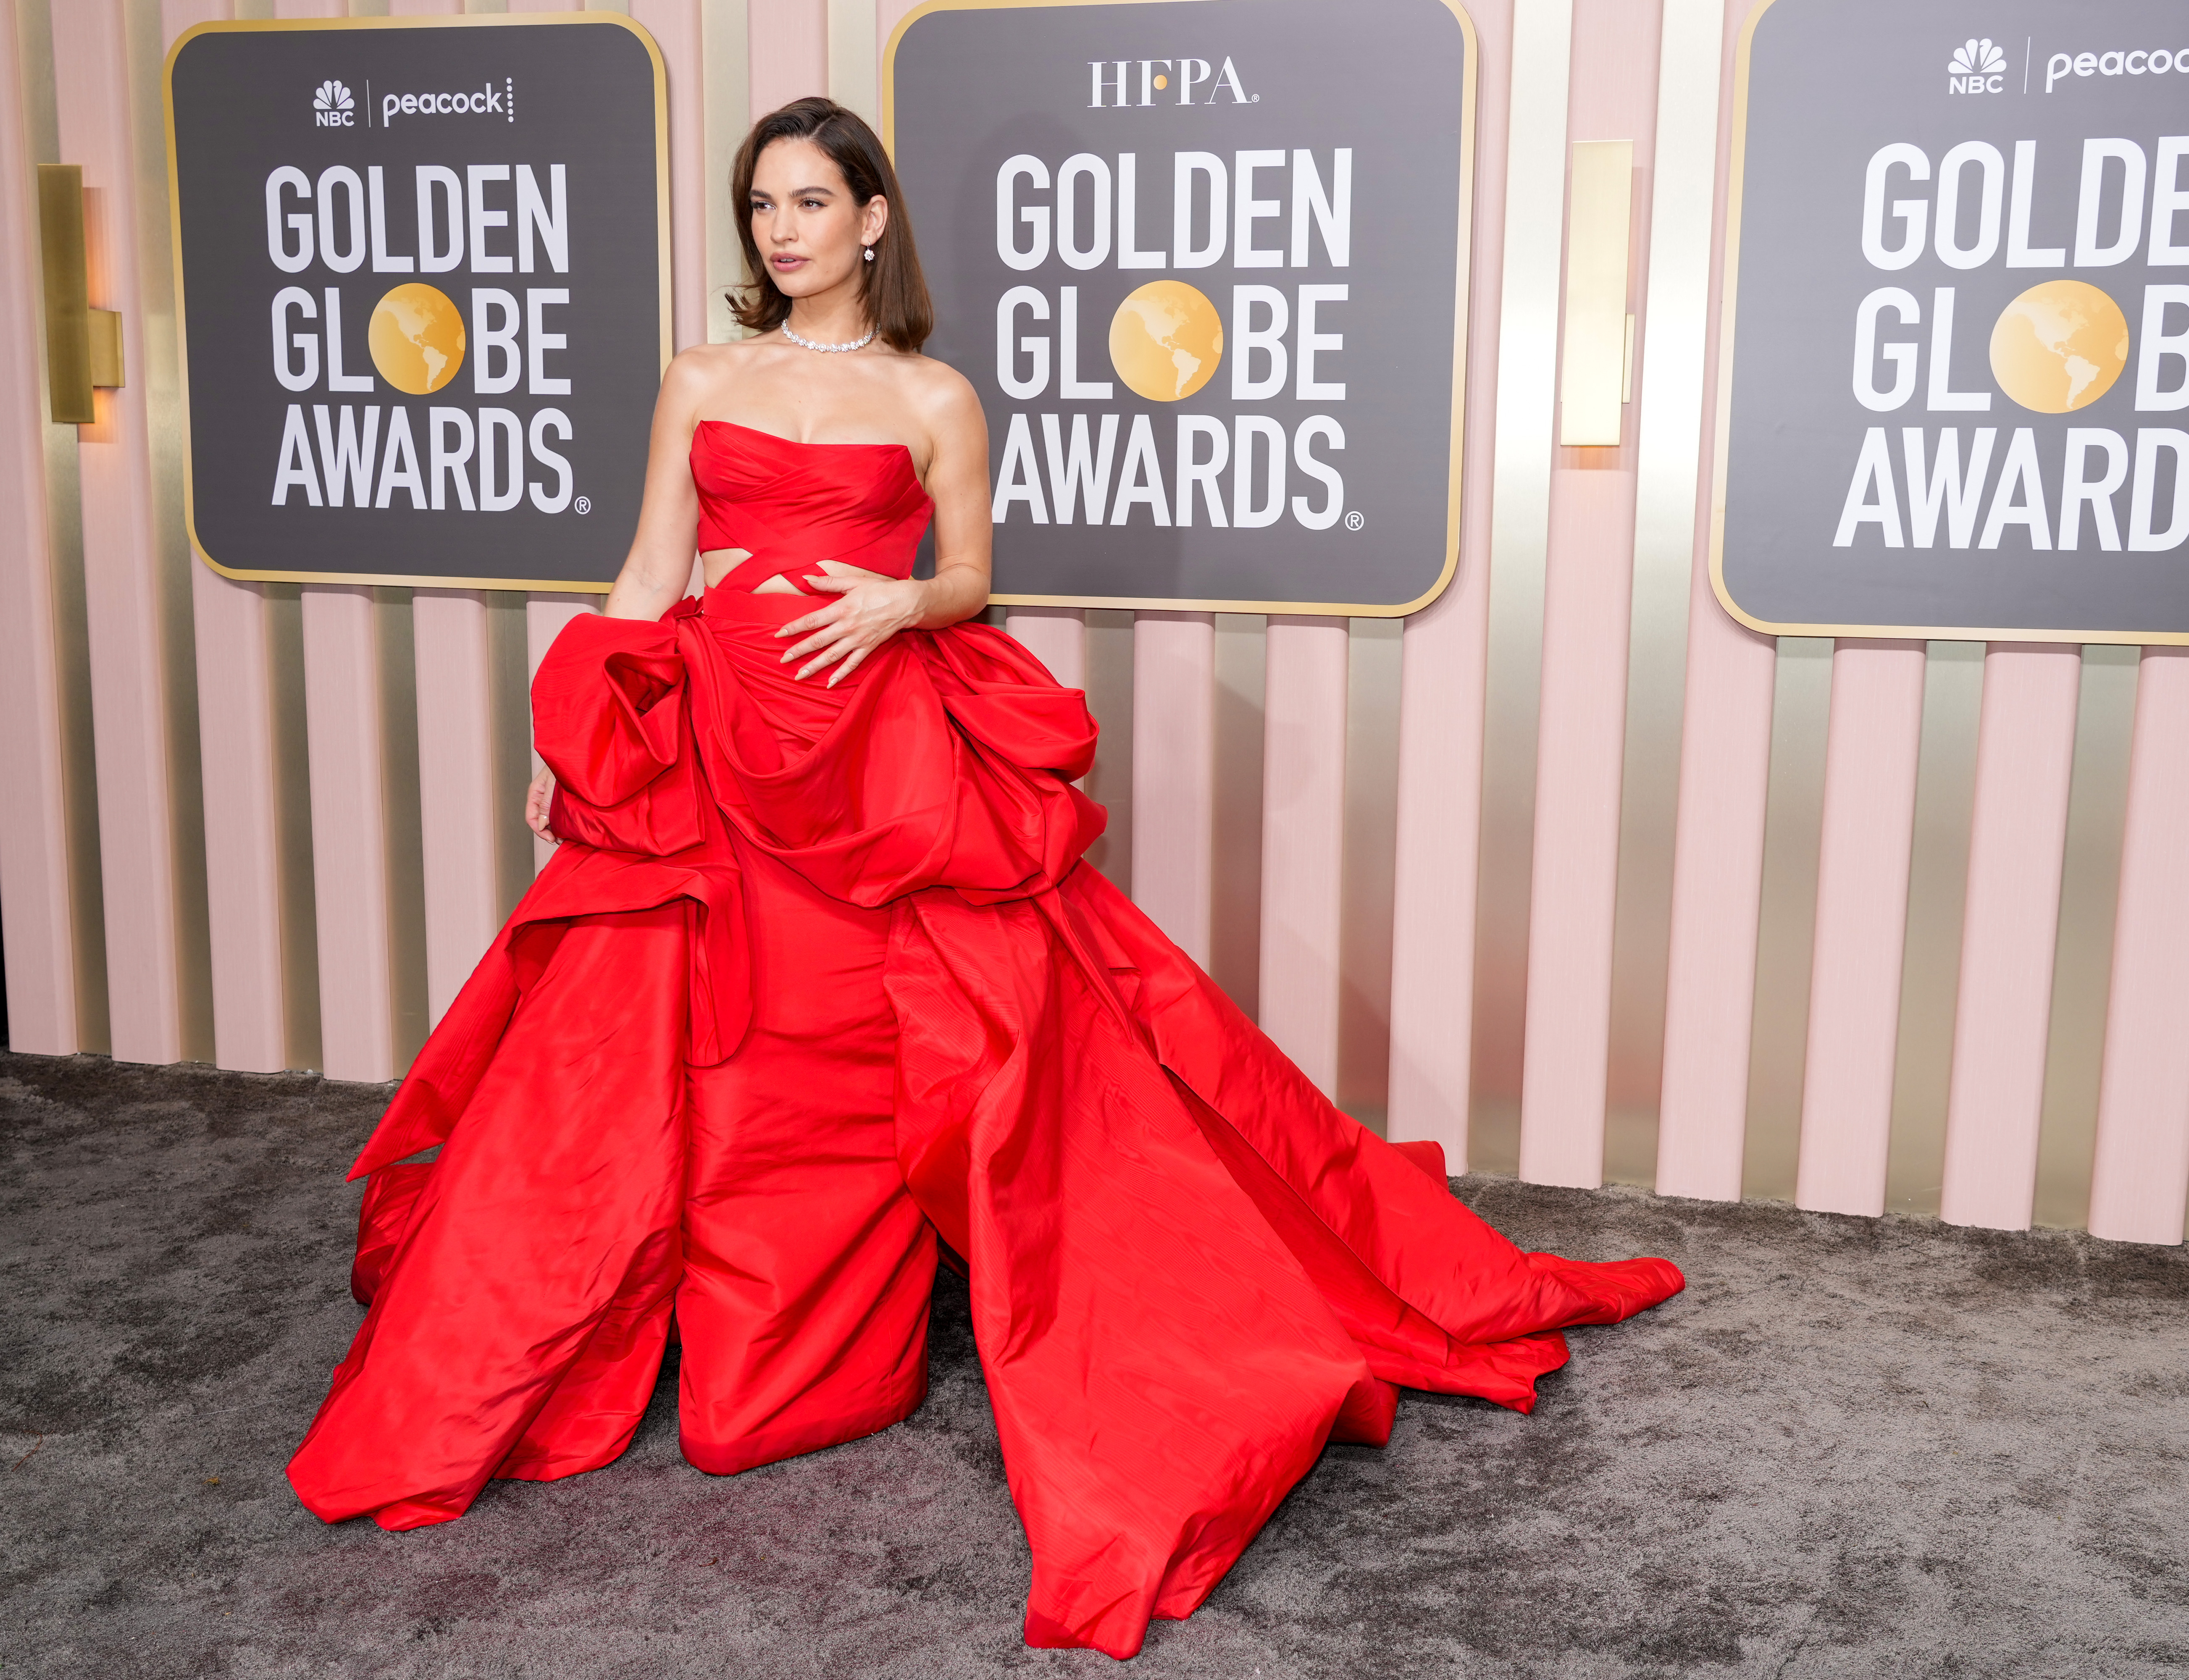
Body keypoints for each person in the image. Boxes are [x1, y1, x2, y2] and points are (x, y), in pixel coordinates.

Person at [286, 98, 1683, 1660]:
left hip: (878, 757)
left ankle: (825, 1346)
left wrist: (896, 608)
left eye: (813, 202)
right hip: (721, 750)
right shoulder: (701, 377)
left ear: (874, 221)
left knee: (880, 1053)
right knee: (702, 1057)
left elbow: (970, 576)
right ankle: (701, 1323)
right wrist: (585, 721)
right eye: (763, 206)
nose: (783, 231)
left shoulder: (937, 394)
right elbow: (647, 568)